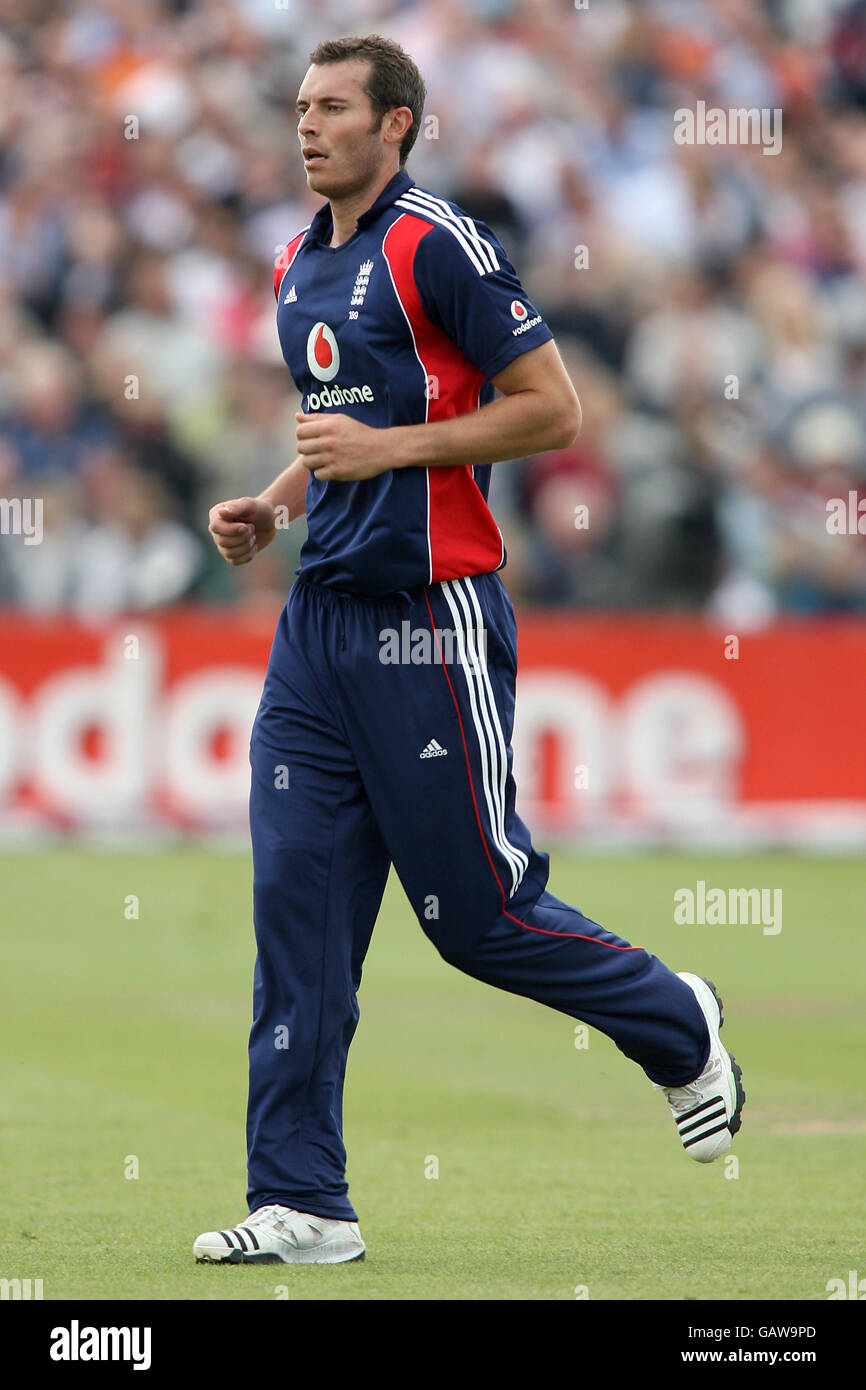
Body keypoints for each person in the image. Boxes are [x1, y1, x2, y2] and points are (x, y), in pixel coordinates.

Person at [194, 34, 744, 1267]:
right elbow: (343, 423)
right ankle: (304, 1202)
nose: (307, 124)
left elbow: (552, 407)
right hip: (315, 632)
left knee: (480, 916)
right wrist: (275, 504)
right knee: (297, 916)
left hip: (424, 620)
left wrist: (383, 457)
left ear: (396, 124)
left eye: (333, 106)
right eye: (299, 106)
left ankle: (676, 1019)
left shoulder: (433, 240)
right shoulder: (297, 258)